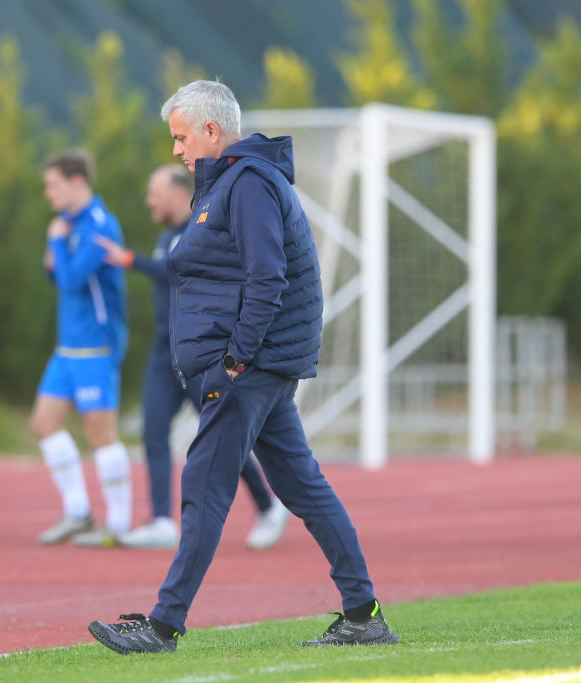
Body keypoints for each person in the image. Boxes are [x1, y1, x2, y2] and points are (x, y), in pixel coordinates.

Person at [88, 81, 398, 652]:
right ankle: (364, 613)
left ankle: (162, 627)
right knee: (302, 487)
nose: (177, 151)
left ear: (212, 131)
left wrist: (234, 359)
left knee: (203, 486)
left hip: (249, 368)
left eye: (182, 138)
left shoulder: (247, 183)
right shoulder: (233, 183)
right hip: (264, 367)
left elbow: (267, 275)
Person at [95, 164, 288, 550]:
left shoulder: (205, 230)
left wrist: (130, 260)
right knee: (152, 432)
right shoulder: (166, 234)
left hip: (201, 355)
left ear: (178, 194)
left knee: (224, 437)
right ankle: (162, 520)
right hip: (163, 354)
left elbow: (179, 272)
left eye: (155, 194)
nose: (149, 201)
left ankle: (268, 505)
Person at [30, 149, 131, 547]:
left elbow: (72, 279)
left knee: (100, 433)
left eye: (53, 185)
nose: (48, 194)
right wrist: (53, 256)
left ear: (77, 182)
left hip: (96, 346)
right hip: (69, 346)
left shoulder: (99, 226)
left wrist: (55, 246)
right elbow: (61, 280)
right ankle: (78, 512)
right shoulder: (70, 224)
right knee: (43, 424)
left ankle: (118, 525)